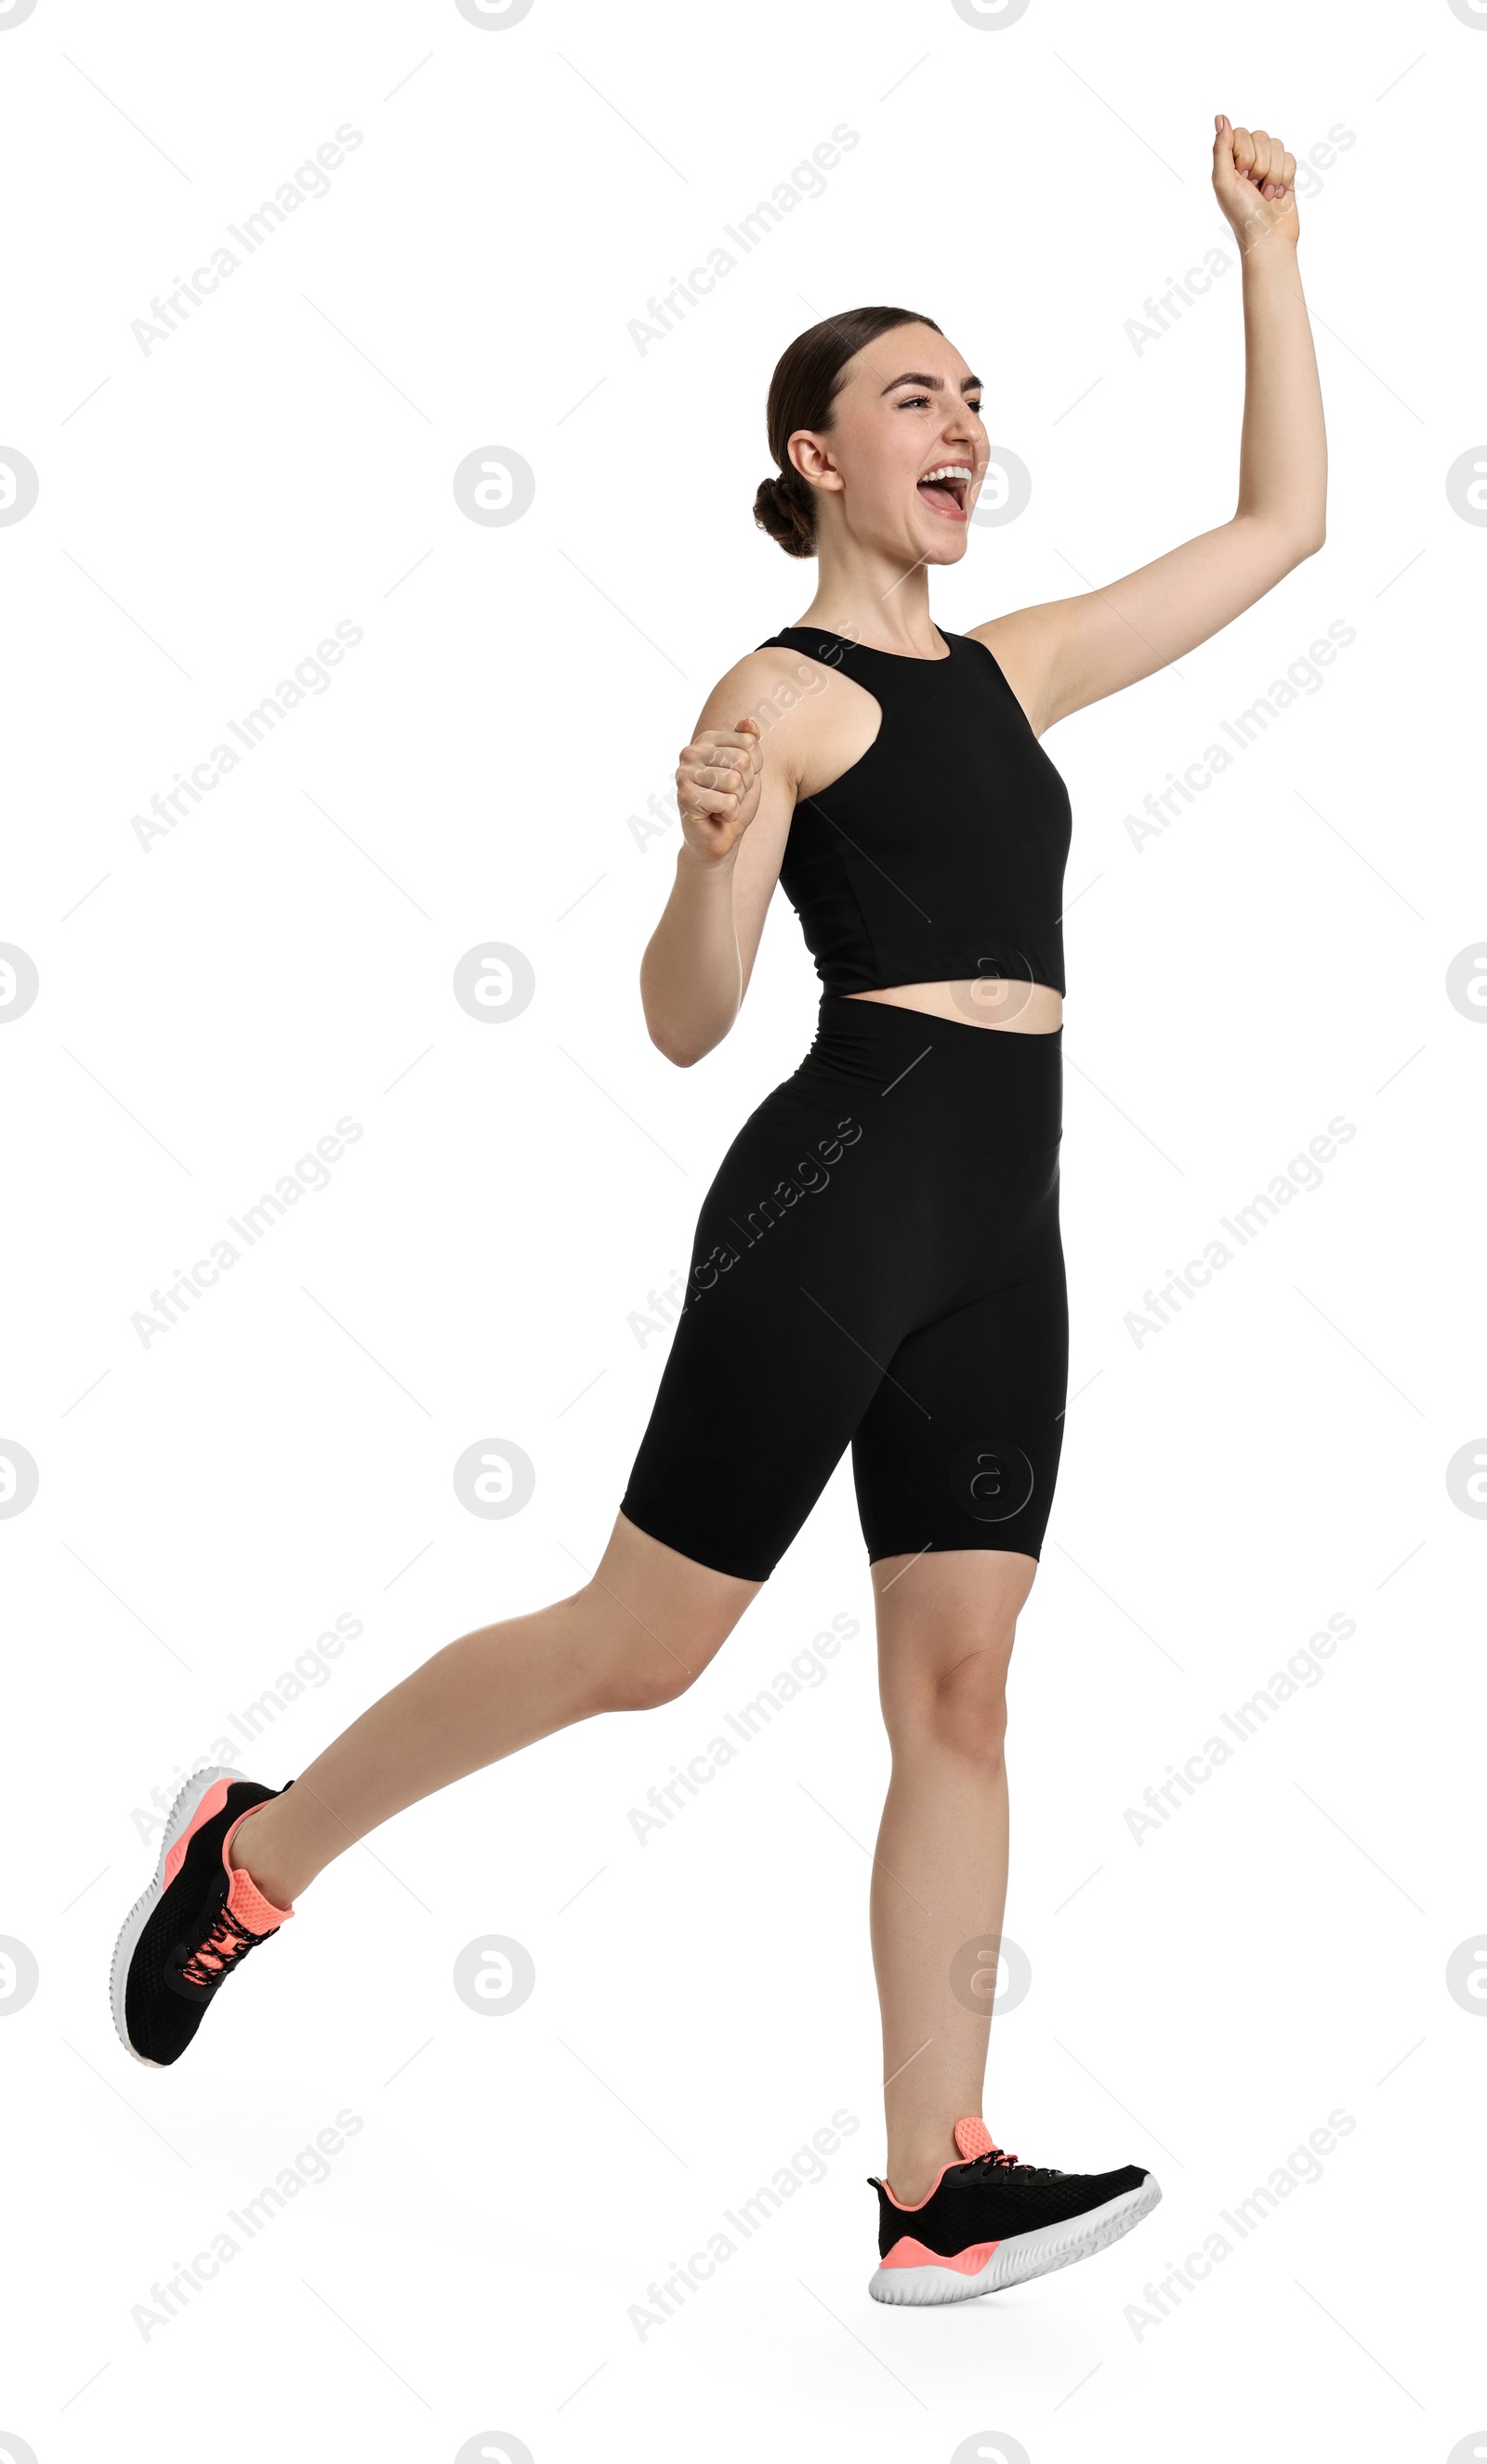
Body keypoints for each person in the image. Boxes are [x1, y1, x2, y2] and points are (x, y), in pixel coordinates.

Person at [112, 116, 1323, 2307]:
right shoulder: (774, 694)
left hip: (1002, 1238)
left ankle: (930, 2183)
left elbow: (1280, 524)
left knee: (960, 1697)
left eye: (971, 391)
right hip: (835, 1203)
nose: (963, 421)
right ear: (818, 458)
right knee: (641, 1649)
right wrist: (702, 853)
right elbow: (684, 1022)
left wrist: (1266, 252)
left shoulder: (1015, 668)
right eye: (913, 395)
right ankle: (256, 1850)